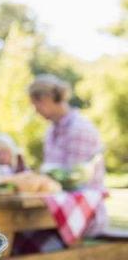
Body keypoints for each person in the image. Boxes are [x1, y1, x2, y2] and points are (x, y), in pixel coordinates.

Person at [29, 74, 107, 234]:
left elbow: (74, 181)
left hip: (83, 212)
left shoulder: (79, 129)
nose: (35, 111)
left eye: (36, 104)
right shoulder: (51, 130)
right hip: (57, 206)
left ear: (46, 98)